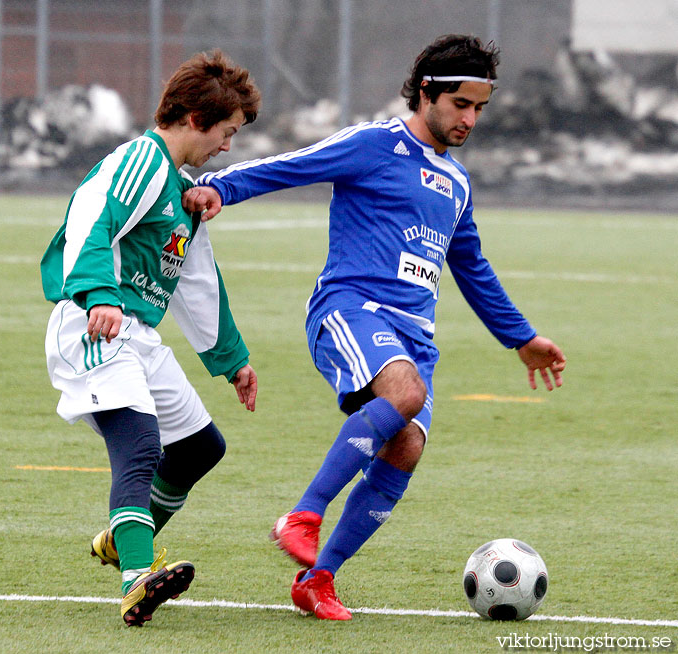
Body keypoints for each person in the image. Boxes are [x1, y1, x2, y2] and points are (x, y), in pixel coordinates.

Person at [183, 34, 566, 621]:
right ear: (428, 93)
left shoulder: (458, 184)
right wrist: (221, 187)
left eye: (479, 109)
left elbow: (473, 268)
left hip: (414, 338)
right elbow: (292, 166)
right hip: (350, 307)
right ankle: (302, 514)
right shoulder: (375, 144)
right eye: (461, 105)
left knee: (406, 445)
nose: (470, 119)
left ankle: (318, 580)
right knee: (405, 396)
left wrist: (523, 337)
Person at [41, 50, 261, 626]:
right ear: (194, 118)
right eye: (226, 132)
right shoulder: (142, 159)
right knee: (140, 446)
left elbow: (195, 283)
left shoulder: (183, 194)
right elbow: (92, 214)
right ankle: (137, 579)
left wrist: (231, 360)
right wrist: (99, 292)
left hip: (136, 336)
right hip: (92, 323)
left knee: (198, 448)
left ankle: (122, 538)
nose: (227, 147)